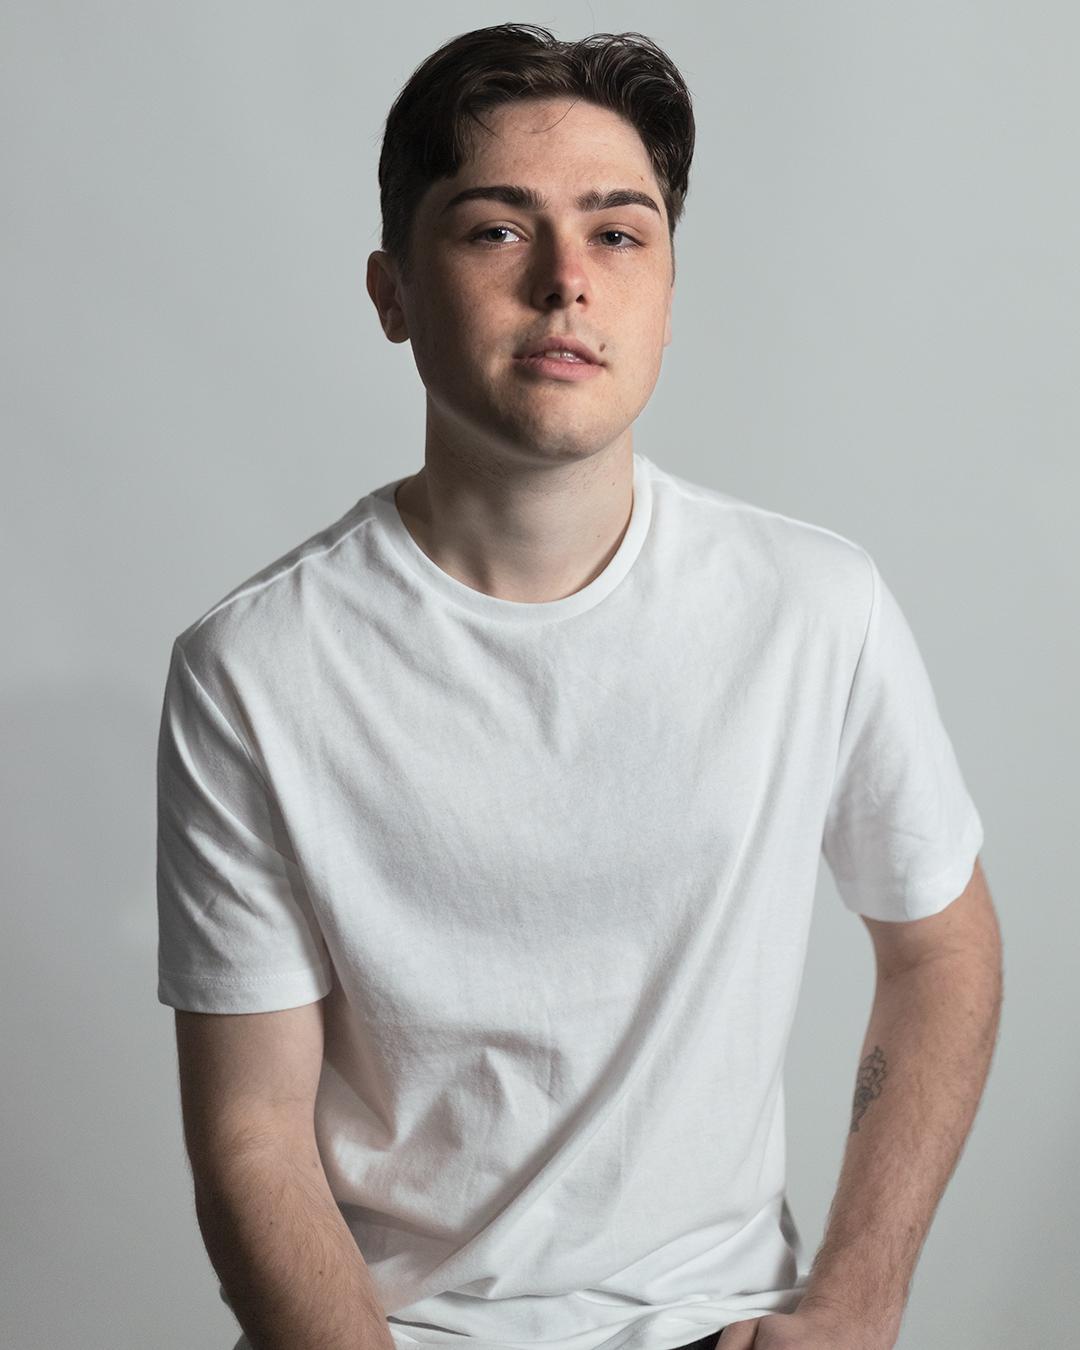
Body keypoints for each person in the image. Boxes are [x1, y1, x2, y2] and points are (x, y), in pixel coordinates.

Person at [156, 23, 1002, 1350]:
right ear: (391, 290)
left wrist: (857, 1301)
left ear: (668, 285)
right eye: (497, 229)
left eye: (621, 234)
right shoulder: (255, 667)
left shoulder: (812, 604)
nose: (566, 282)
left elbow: (940, 945)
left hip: (721, 1324)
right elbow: (252, 1125)